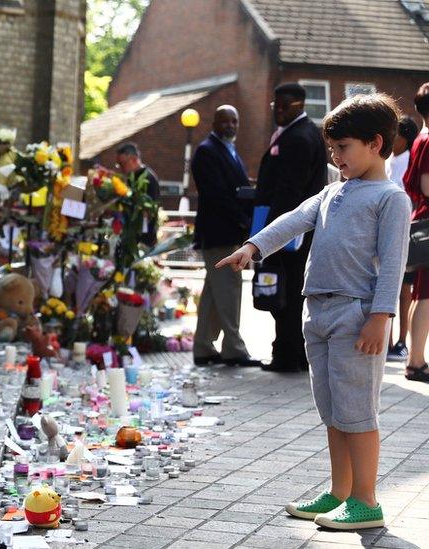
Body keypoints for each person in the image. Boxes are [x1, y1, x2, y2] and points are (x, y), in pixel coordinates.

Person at [218, 93, 409, 530]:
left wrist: (381, 318)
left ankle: (366, 500)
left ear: (375, 144)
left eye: (342, 149)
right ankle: (339, 492)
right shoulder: (332, 191)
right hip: (317, 312)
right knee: (333, 411)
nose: (335, 157)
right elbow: (292, 220)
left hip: (356, 316)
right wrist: (253, 246)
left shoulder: (390, 199)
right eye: (332, 150)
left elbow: (394, 263)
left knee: (358, 411)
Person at [253, 83, 329, 372]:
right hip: (295, 231)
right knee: (289, 290)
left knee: (285, 292)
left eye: (285, 105)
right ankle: (292, 352)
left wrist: (270, 236)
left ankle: (288, 354)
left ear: (299, 104)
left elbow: (288, 190)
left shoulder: (298, 137)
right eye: (276, 105)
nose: (279, 111)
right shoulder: (299, 133)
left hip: (290, 234)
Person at [190, 105, 261, 367]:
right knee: (229, 290)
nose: (231, 125)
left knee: (213, 293)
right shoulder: (207, 151)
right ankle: (233, 347)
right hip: (220, 234)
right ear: (214, 123)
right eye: (225, 121)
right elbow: (217, 195)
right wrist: (244, 221)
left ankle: (203, 346)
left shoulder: (229, 150)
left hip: (227, 232)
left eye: (235, 120)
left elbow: (235, 188)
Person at [386, 115, 420, 363]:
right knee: (388, 285)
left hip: (406, 228)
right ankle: (387, 340)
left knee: (405, 289)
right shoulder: (389, 160)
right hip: (387, 228)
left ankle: (401, 341)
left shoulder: (410, 159)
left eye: (395, 135)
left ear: (405, 138)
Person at [402, 84, 429, 382]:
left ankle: (415, 358)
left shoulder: (419, 139)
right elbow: (427, 187)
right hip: (428, 219)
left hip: (421, 218)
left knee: (422, 292)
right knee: (426, 295)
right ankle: (417, 361)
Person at [115, 142, 160, 246]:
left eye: (122, 164)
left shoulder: (148, 178)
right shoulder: (131, 177)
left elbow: (148, 211)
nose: (121, 168)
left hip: (144, 238)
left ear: (134, 159)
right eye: (118, 165)